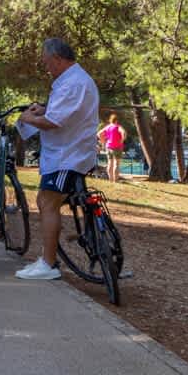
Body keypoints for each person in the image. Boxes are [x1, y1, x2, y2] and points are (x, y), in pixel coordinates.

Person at [15, 37, 101, 282]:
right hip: (67, 152)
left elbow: (53, 122)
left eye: (47, 62)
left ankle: (49, 263)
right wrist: (45, 109)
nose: (46, 67)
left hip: (67, 156)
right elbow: (64, 112)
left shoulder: (72, 83)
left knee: (47, 202)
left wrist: (28, 118)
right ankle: (47, 259)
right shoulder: (72, 80)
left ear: (58, 59)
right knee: (47, 201)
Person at [99, 113, 126, 184]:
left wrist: (103, 142)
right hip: (118, 147)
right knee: (116, 163)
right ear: (116, 120)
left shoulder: (108, 127)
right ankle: (115, 181)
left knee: (110, 163)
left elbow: (99, 133)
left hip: (108, 147)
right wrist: (122, 139)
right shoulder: (118, 126)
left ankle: (110, 180)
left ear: (110, 120)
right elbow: (123, 132)